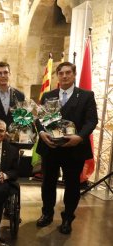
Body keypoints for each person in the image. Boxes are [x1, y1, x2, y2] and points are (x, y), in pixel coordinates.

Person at [35, 61, 97, 234]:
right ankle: (46, 214)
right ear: (57, 76)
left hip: (74, 149)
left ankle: (68, 218)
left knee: (72, 185)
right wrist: (41, 133)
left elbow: (92, 121)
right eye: (61, 73)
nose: (64, 76)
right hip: (50, 147)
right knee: (48, 183)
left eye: (68, 72)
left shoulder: (86, 96)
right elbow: (39, 119)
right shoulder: (48, 96)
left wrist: (80, 137)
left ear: (74, 74)